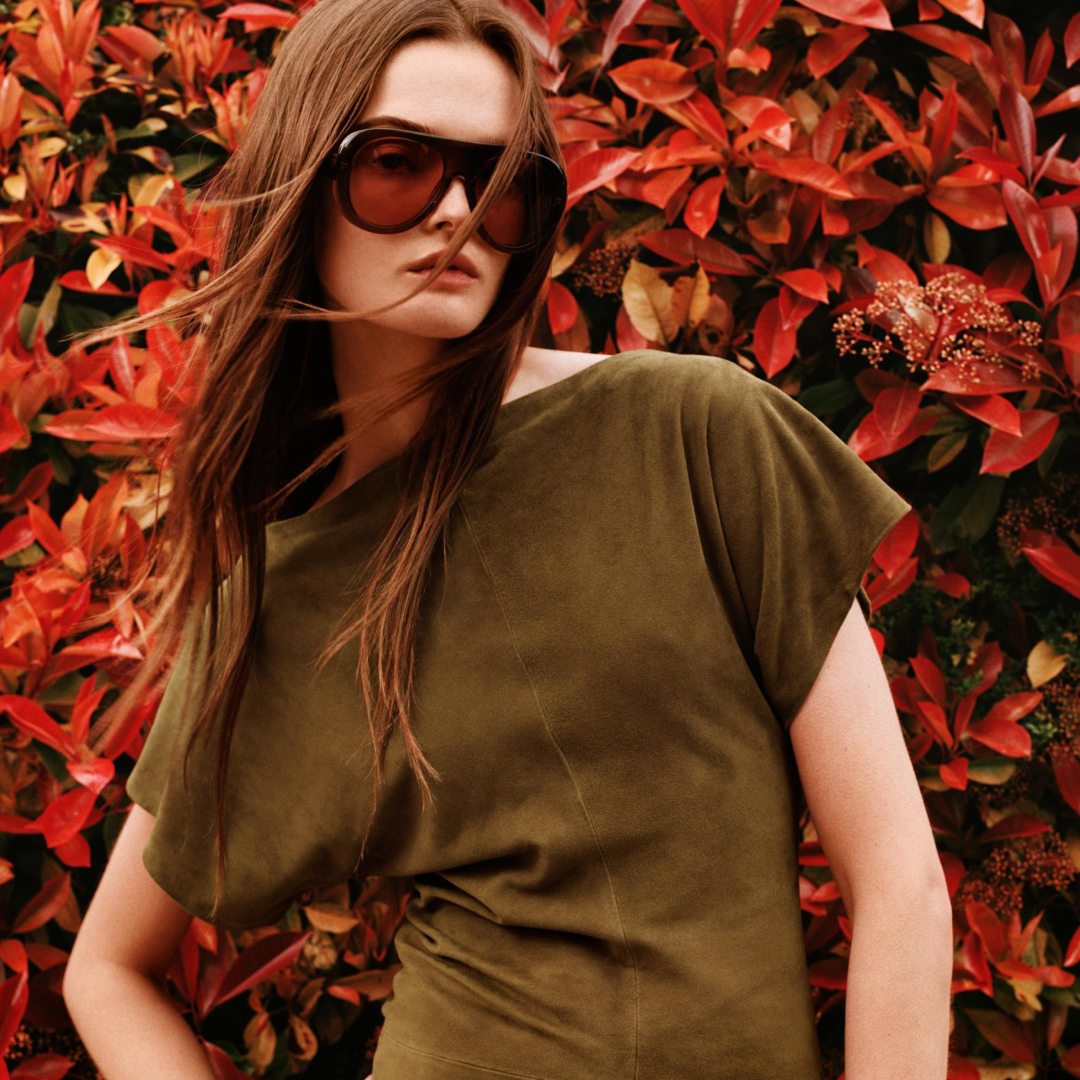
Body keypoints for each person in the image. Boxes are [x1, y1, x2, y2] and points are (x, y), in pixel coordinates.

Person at [60, 0, 955, 1077]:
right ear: (304, 180)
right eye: (397, 164)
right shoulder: (283, 598)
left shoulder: (698, 434)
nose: (456, 212)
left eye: (502, 186)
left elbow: (898, 873)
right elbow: (105, 969)